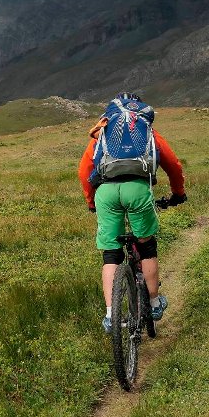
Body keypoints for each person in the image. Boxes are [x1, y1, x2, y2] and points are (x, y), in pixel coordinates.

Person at [79, 93, 187, 332]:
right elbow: (173, 164)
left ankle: (110, 315)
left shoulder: (103, 132)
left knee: (111, 254)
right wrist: (178, 193)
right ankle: (154, 302)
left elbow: (84, 169)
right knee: (147, 246)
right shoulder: (147, 132)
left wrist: (91, 202)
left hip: (106, 193)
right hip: (137, 190)